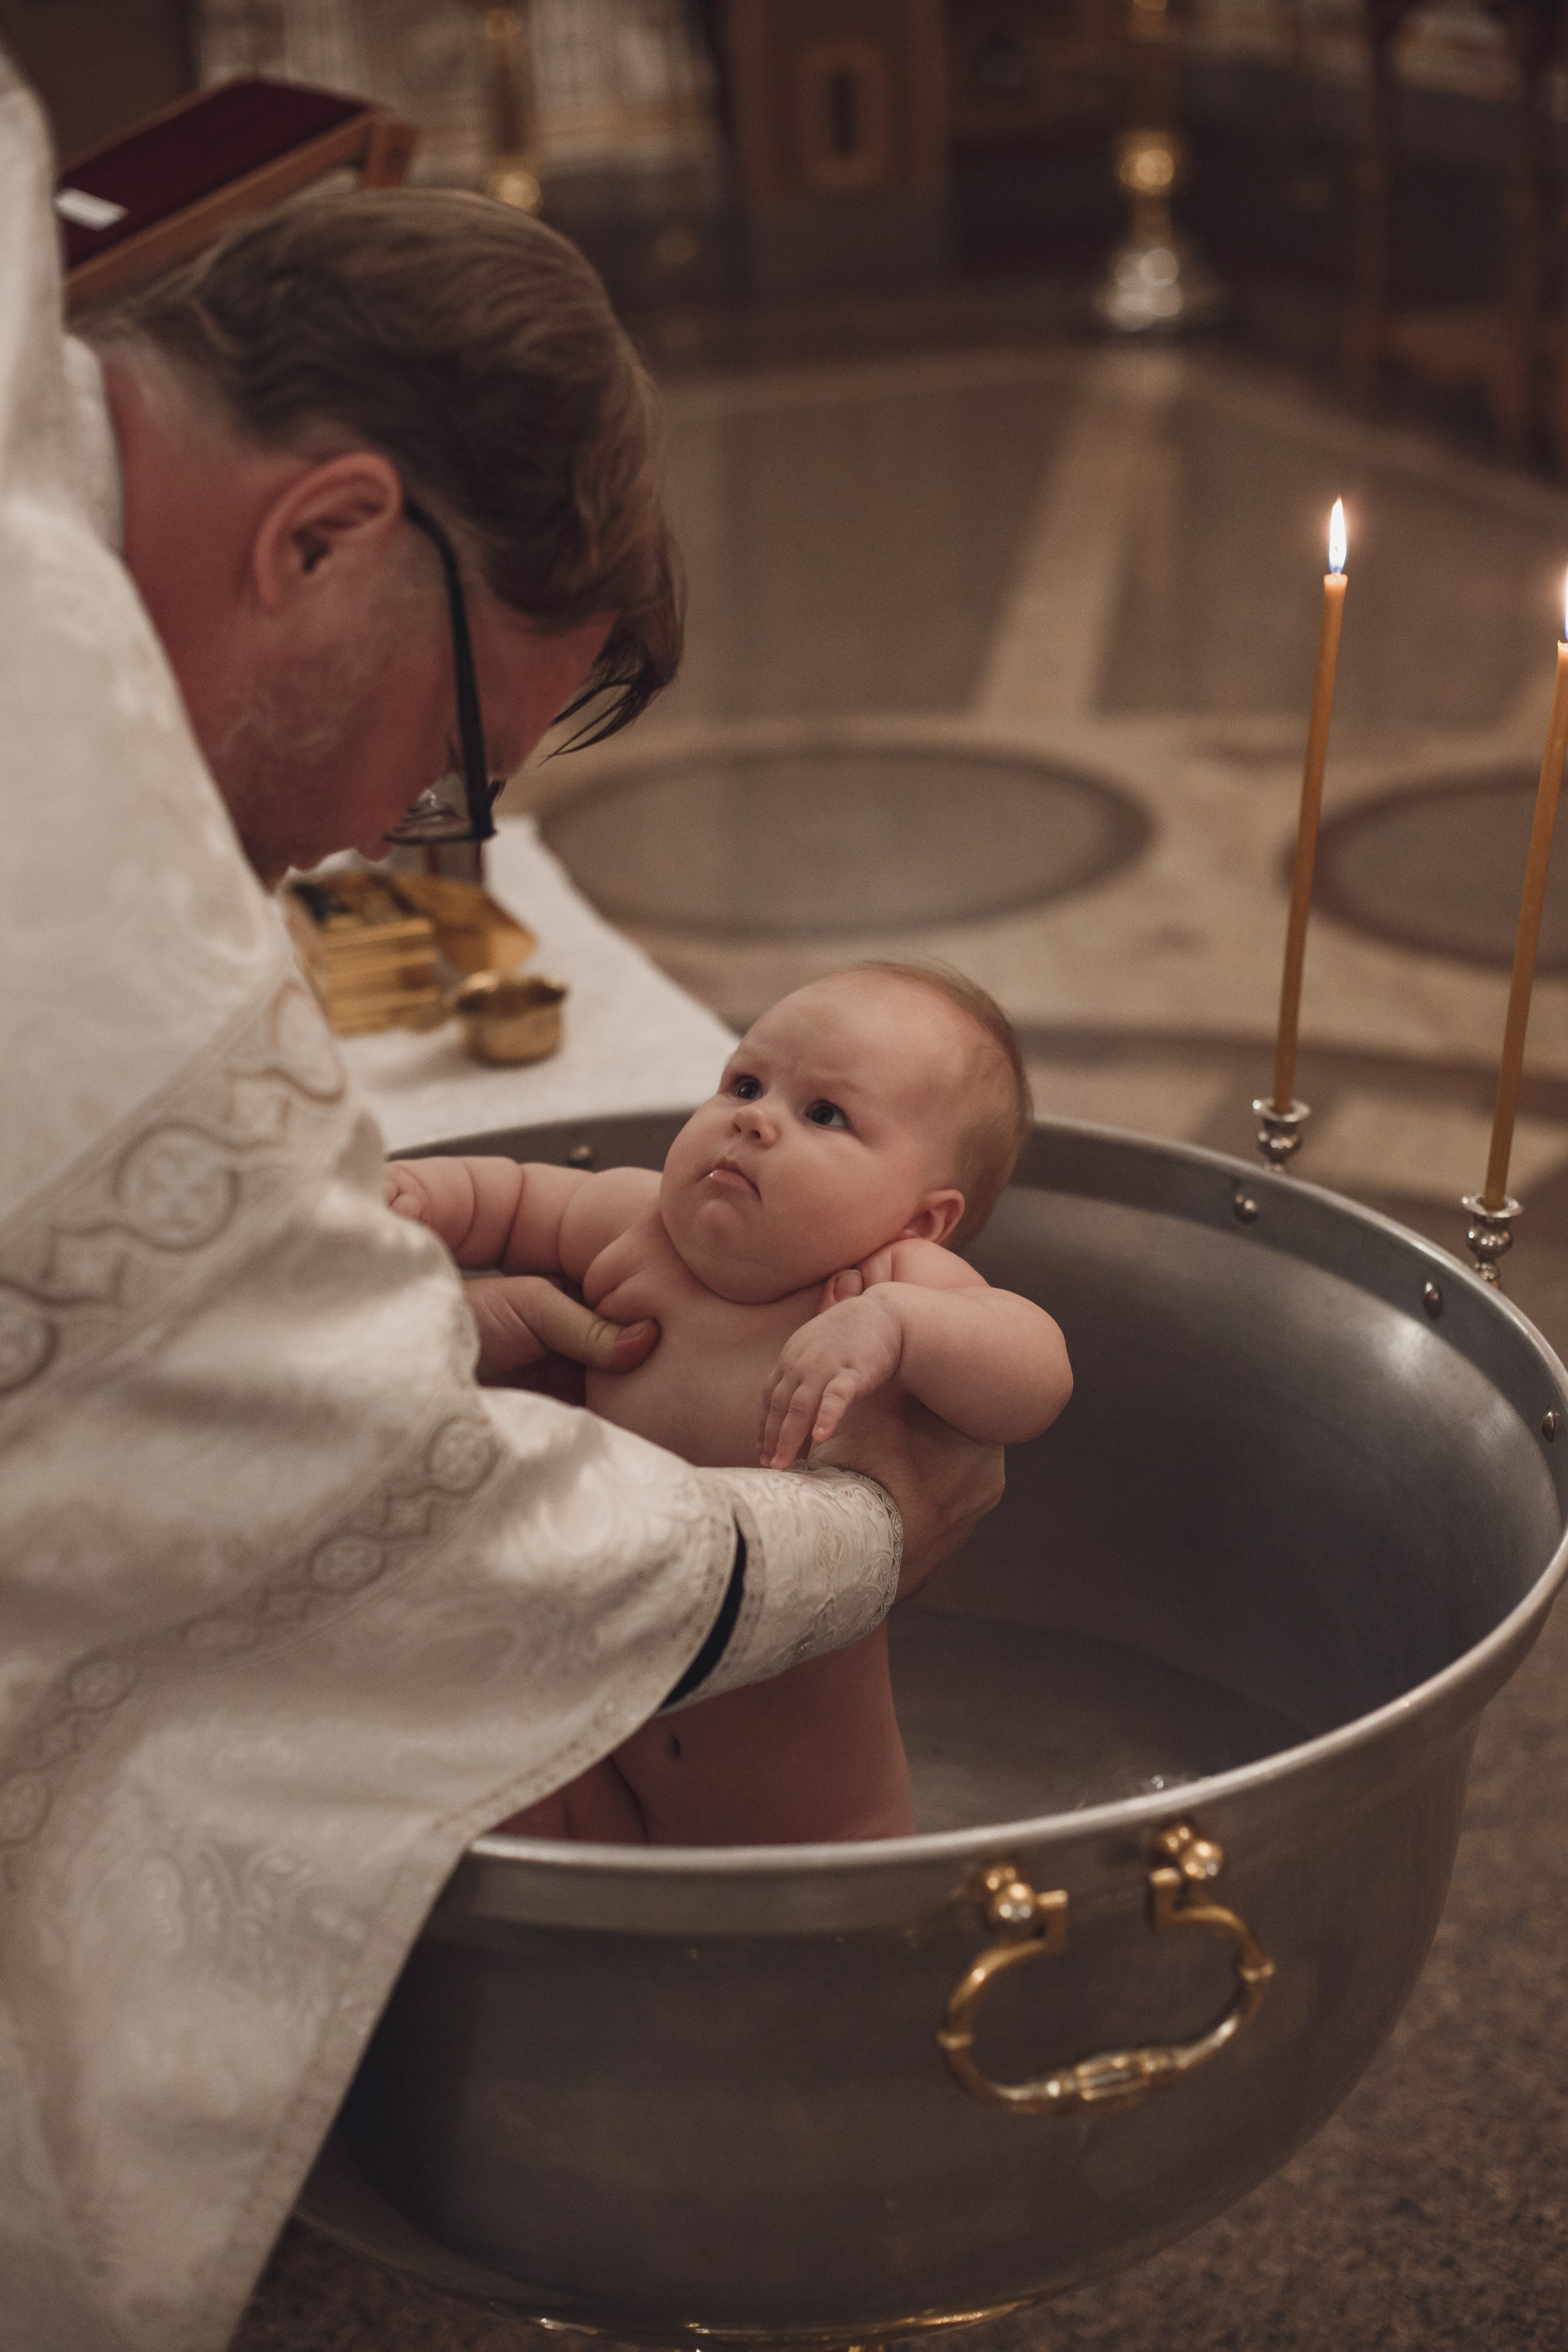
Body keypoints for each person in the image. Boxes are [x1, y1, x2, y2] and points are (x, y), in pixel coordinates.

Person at [0, 61, 1002, 2352]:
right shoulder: (78, 829)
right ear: (326, 532)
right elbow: (342, 1509)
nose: (396, 842)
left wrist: (362, 1274)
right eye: (457, 769)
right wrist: (850, 1544)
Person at [388, 963, 1072, 1845]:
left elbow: (1038, 1379)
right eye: (745, 1083)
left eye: (825, 1114)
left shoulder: (887, 1286)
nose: (754, 1119)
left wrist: (898, 1328)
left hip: (798, 1810)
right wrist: (408, 1198)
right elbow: (508, 1197)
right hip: (599, 1750)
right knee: (482, 1815)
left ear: (921, 1219)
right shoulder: (638, 1230)